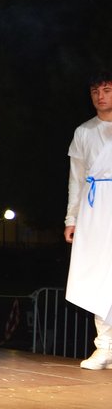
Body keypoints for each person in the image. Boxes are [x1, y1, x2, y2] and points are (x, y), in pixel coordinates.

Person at [64, 73, 112, 370]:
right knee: (97, 273)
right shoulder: (84, 131)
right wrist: (71, 218)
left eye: (107, 90)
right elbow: (76, 179)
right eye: (95, 91)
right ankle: (104, 347)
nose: (100, 96)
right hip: (95, 207)